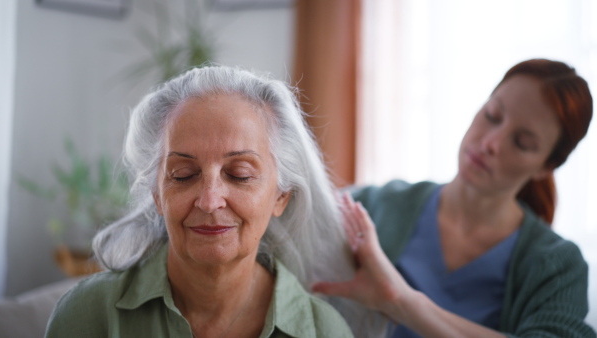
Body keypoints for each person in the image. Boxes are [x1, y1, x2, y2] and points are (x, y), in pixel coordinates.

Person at [44, 66, 386, 337]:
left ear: (281, 196)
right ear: (157, 194)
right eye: (182, 174)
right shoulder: (88, 318)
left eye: (239, 174)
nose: (209, 201)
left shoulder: (323, 333)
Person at [313, 58, 596, 337]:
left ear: (545, 167)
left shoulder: (559, 267)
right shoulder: (374, 206)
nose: (490, 143)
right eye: (492, 115)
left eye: (522, 143)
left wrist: (402, 302)